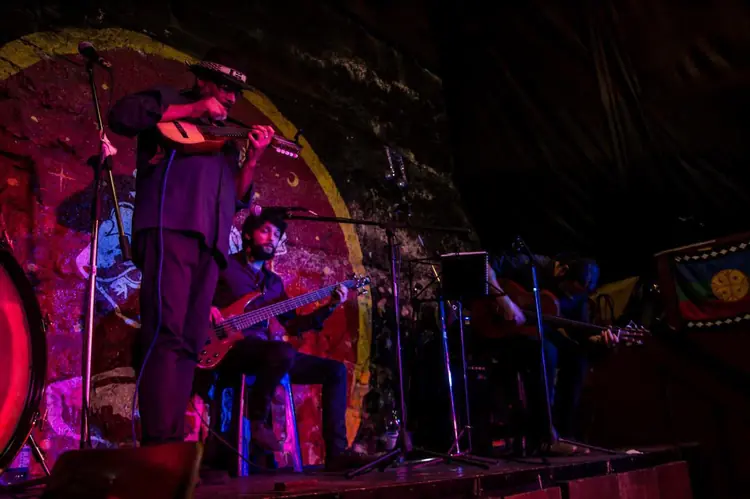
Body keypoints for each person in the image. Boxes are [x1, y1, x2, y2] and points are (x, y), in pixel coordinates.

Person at [108, 47, 275, 445]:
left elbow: (236, 199)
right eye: (224, 87)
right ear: (202, 80)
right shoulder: (169, 100)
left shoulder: (226, 138)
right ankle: (157, 444)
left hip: (210, 244)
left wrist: (253, 159)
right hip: (171, 228)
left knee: (191, 342)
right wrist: (195, 107)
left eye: (236, 92)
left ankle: (170, 444)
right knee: (165, 330)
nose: (231, 97)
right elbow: (122, 117)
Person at [209, 210, 376, 471]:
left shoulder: (273, 284)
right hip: (230, 349)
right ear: (248, 235)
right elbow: (196, 294)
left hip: (269, 355)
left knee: (335, 371)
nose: (271, 239)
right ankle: (257, 421)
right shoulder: (225, 267)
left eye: (276, 235)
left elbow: (294, 324)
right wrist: (208, 308)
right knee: (282, 352)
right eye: (265, 231)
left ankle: (336, 454)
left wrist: (330, 306)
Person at [485, 252, 617, 454]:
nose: (571, 297)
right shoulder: (529, 262)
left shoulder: (578, 296)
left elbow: (582, 336)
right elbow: (484, 266)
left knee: (577, 357)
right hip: (501, 332)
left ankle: (564, 432)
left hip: (536, 335)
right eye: (570, 291)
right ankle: (543, 436)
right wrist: (505, 301)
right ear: (563, 271)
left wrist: (601, 339)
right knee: (547, 351)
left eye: (577, 295)